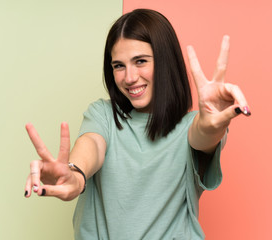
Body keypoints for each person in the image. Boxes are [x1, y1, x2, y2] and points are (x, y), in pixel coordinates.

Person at [24, 9, 250, 239]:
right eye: (118, 66)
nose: (129, 77)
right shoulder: (103, 115)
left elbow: (203, 134)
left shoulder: (190, 127)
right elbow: (91, 146)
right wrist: (74, 175)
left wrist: (212, 123)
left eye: (140, 61)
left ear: (165, 61)